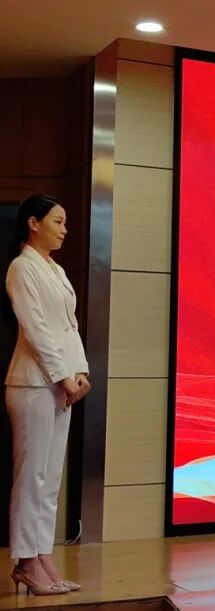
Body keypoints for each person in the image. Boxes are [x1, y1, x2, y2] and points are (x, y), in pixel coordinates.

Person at [4, 194, 90, 596]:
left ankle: (41, 554)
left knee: (49, 478)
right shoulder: (22, 267)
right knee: (31, 477)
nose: (64, 230)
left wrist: (79, 372)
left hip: (60, 384)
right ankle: (25, 561)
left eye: (65, 222)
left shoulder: (55, 269)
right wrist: (62, 376)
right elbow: (35, 328)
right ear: (33, 223)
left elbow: (68, 327)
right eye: (57, 221)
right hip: (33, 385)